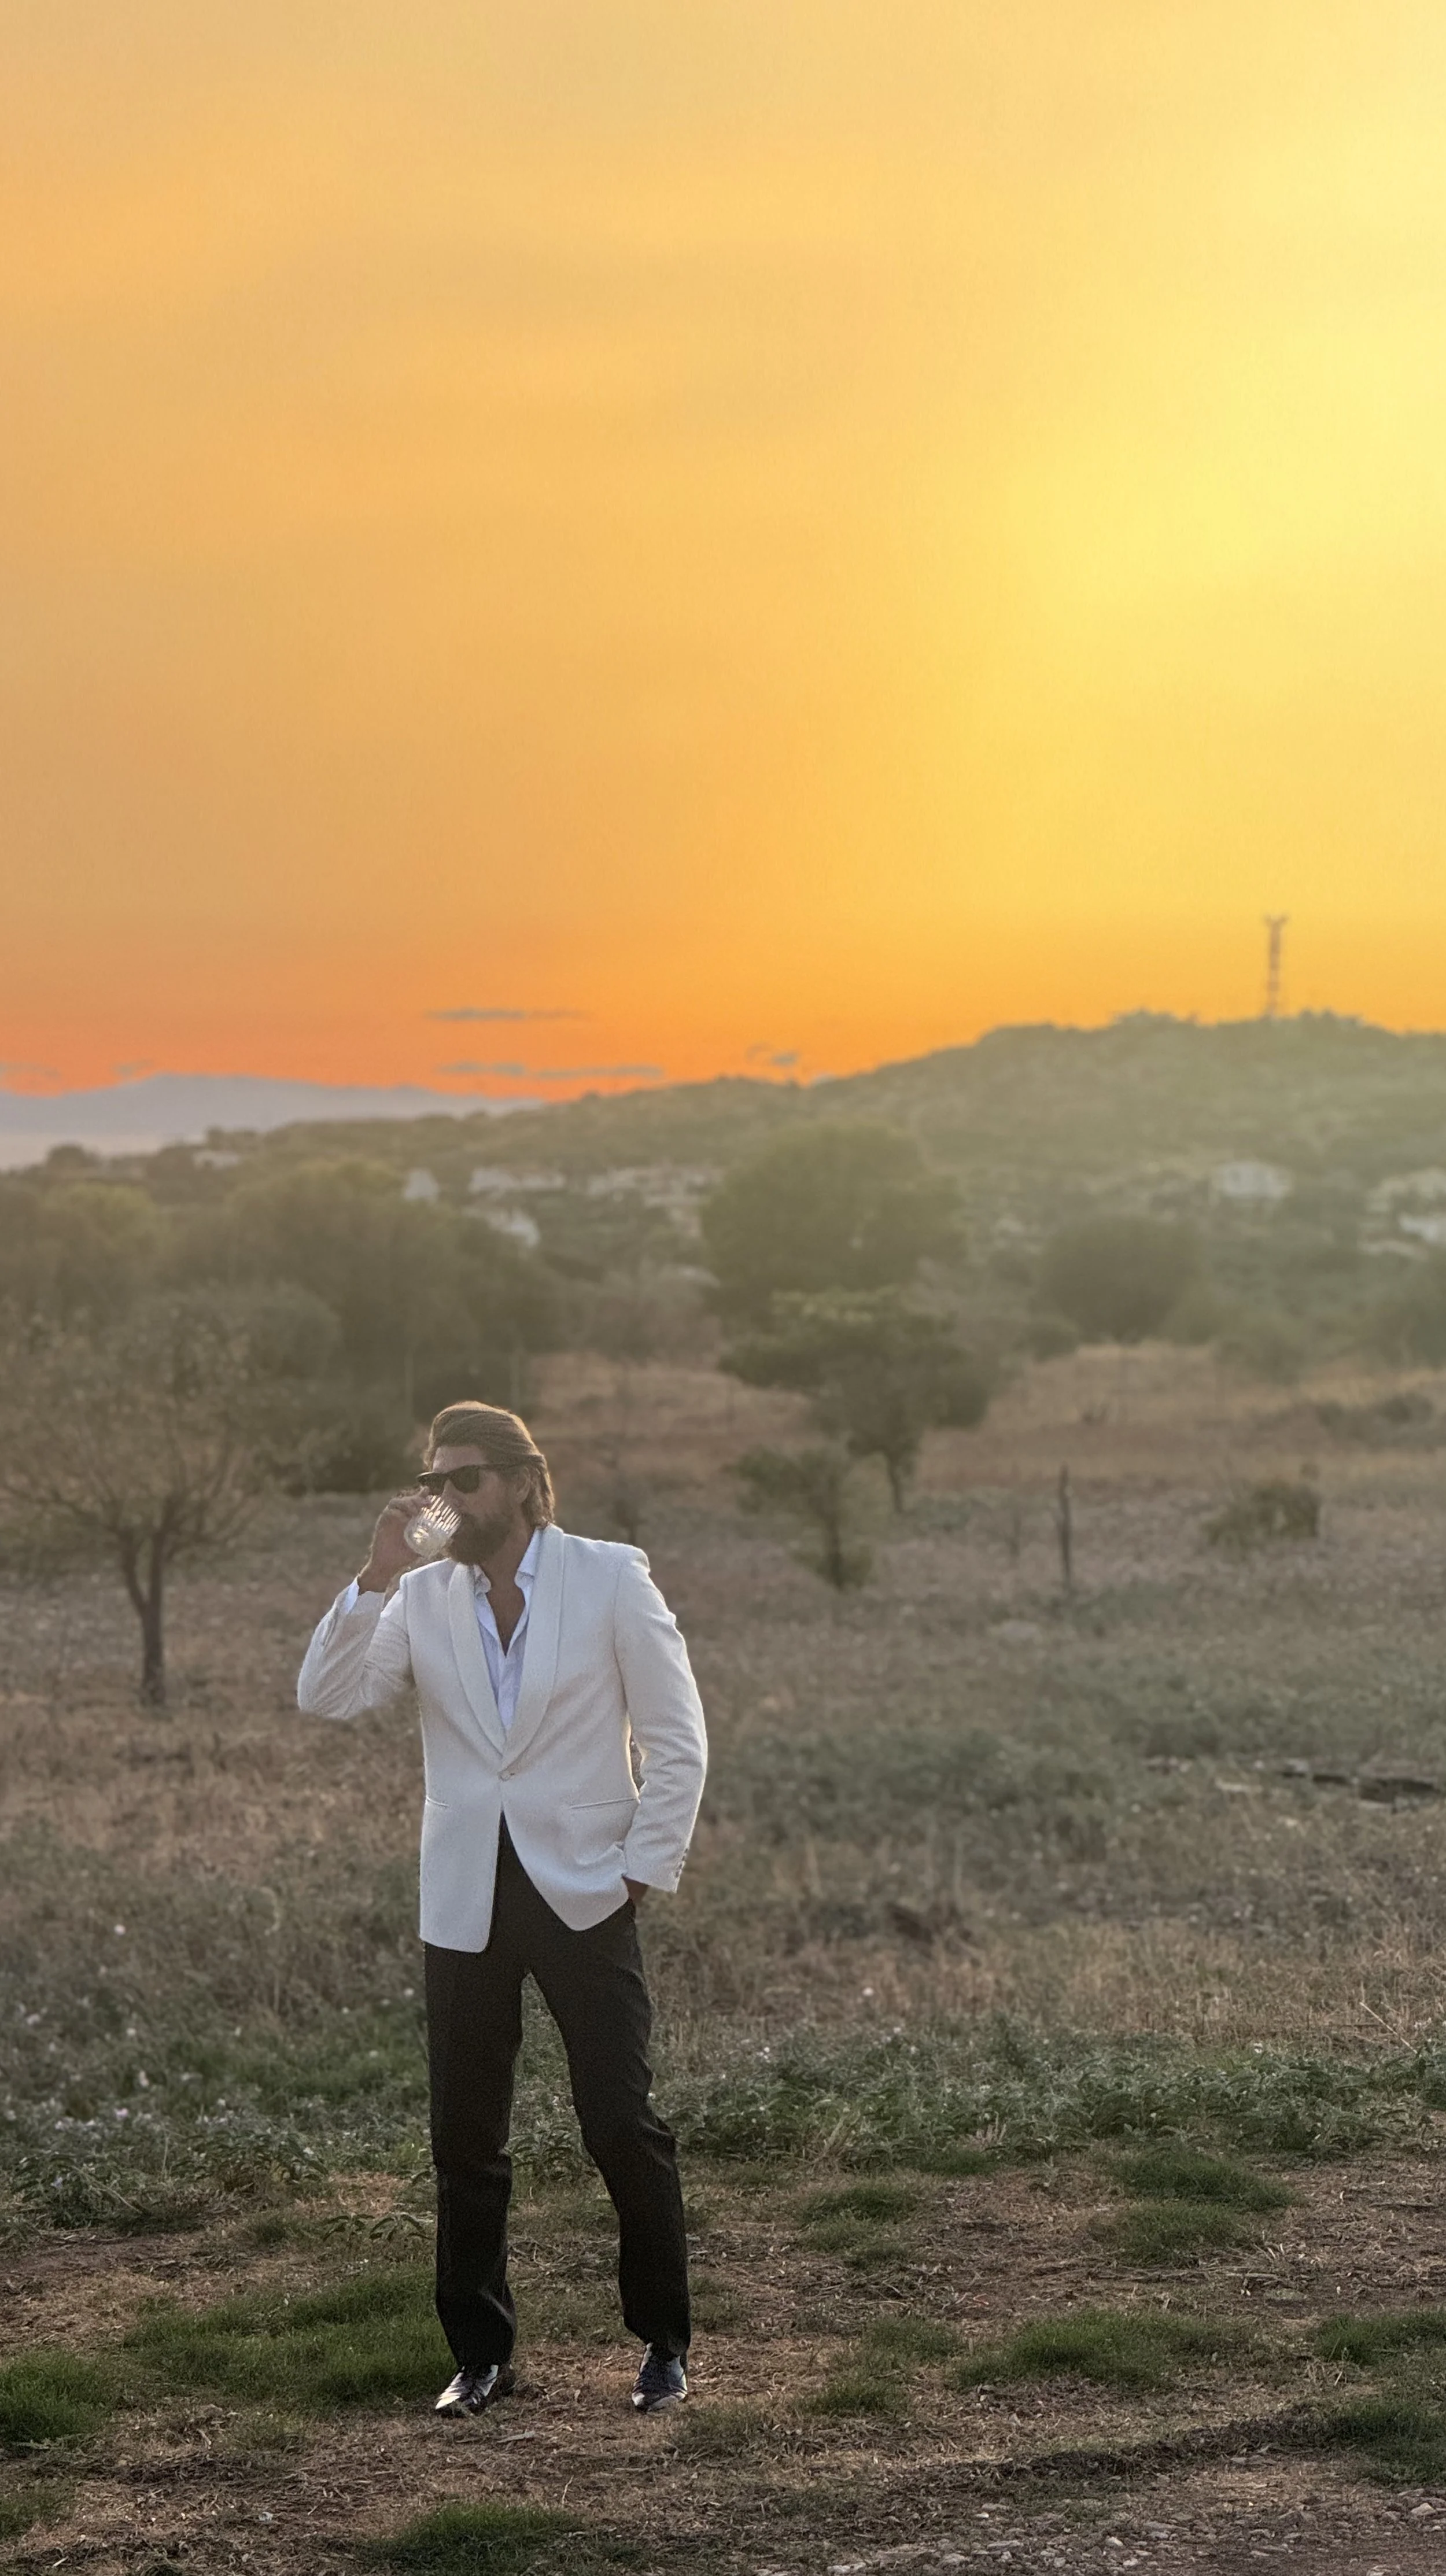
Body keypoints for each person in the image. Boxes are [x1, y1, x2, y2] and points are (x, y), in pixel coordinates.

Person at [296, 1399, 708, 2417]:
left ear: (523, 1482)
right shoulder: (422, 1595)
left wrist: (639, 1873)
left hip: (586, 1887)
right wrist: (377, 1574)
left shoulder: (611, 1575)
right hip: (465, 1894)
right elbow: (327, 1696)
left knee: (621, 2122)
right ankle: (480, 2353)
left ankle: (664, 2340)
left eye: (465, 1479)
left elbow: (678, 1738)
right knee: (465, 2136)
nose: (446, 1498)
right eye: (435, 1481)